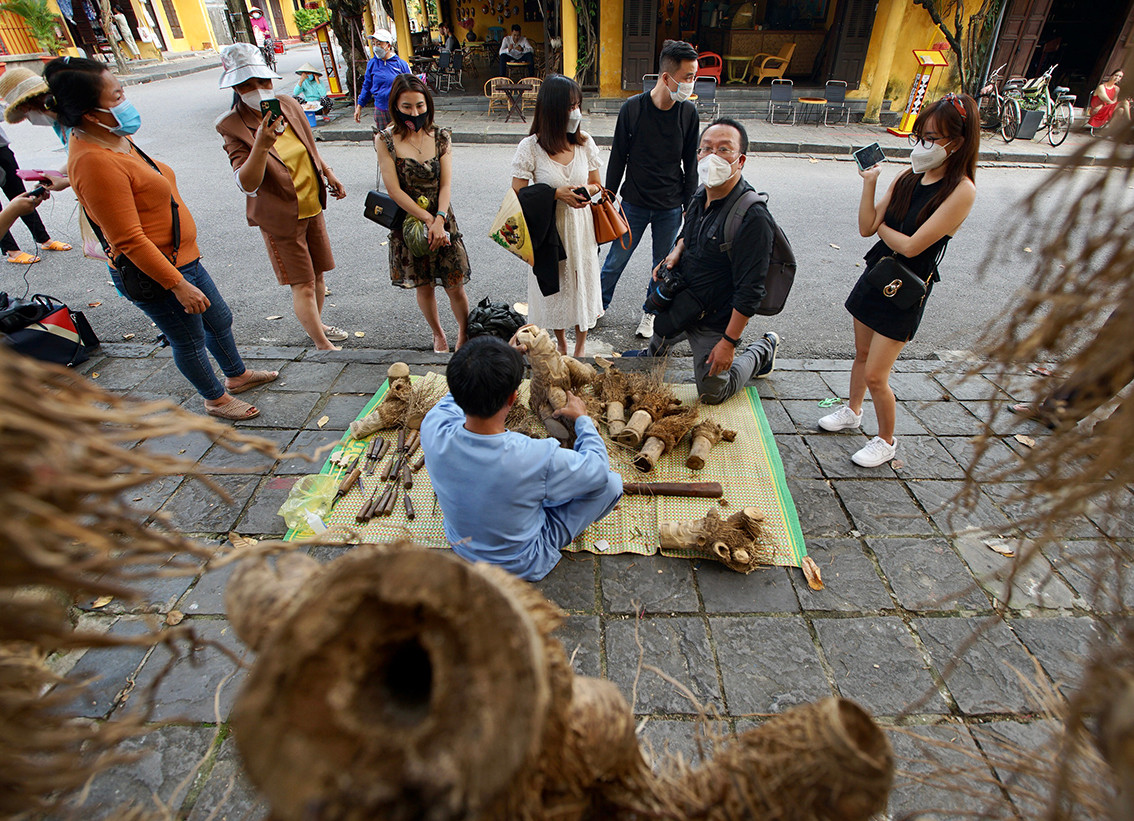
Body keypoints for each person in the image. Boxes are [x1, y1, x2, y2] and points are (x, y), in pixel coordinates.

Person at [45, 56, 276, 420]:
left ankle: (237, 375)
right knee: (189, 339)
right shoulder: (94, 161)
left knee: (219, 319)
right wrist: (177, 285)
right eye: (116, 96)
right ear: (90, 113)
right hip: (157, 272)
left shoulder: (110, 135)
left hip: (182, 257)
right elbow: (128, 239)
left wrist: (61, 178)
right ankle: (215, 400)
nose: (125, 101)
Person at [818, 93, 978, 467]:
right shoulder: (909, 176)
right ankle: (853, 411)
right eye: (919, 136)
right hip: (877, 274)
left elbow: (911, 246)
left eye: (931, 138)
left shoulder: (962, 190)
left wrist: (883, 228)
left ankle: (886, 440)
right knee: (860, 355)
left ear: (957, 142)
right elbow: (865, 227)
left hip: (906, 286)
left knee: (877, 375)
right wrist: (870, 182)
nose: (922, 145)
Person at [420, 335, 623, 581]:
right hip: (521, 561)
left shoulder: (433, 425)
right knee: (612, 483)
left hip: (463, 544)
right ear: (513, 397)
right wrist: (582, 419)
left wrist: (497, 359)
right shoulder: (535, 456)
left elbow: (455, 396)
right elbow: (598, 470)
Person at [627, 118, 780, 406]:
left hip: (715, 318)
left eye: (724, 150)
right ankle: (652, 354)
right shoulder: (701, 193)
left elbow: (751, 291)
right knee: (660, 327)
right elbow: (689, 231)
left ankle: (763, 349)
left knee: (712, 393)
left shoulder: (753, 218)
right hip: (685, 299)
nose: (713, 157)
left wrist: (729, 343)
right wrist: (675, 251)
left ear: (740, 160)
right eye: (706, 149)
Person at [215, 43, 348, 352]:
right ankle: (322, 344)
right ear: (235, 88)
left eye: (263, 81)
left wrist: (328, 172)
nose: (258, 90)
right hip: (280, 216)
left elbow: (307, 145)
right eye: (247, 85)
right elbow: (246, 182)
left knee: (318, 276)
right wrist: (261, 145)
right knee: (303, 283)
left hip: (311, 204)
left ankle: (317, 324)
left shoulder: (287, 104)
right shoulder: (232, 125)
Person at [601, 39, 699, 338]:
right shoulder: (632, 109)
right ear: (667, 78)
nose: (691, 84)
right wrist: (608, 197)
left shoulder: (688, 113)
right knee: (615, 261)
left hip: (670, 206)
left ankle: (651, 313)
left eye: (694, 76)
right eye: (688, 77)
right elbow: (618, 157)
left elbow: (690, 165)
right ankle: (597, 305)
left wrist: (690, 206)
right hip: (634, 202)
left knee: (663, 266)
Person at [510, 74, 603, 357]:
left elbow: (597, 184)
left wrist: (584, 191)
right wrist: (554, 194)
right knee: (557, 285)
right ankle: (561, 342)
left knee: (582, 280)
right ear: (552, 109)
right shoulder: (530, 147)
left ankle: (581, 346)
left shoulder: (584, 142)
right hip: (549, 229)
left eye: (578, 105)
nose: (576, 112)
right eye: (570, 106)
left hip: (581, 227)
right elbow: (518, 192)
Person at [377, 74, 471, 353]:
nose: (414, 112)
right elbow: (394, 190)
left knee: (455, 283)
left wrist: (439, 219)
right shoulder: (385, 140)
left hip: (443, 219)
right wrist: (427, 220)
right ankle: (438, 334)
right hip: (411, 222)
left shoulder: (441, 136)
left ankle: (464, 334)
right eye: (407, 107)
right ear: (396, 106)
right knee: (424, 284)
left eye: (420, 105)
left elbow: (446, 184)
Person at [0, 126, 71, 264]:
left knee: (23, 195)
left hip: (2, 148)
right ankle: (11, 250)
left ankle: (44, 239)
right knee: (18, 203)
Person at [354, 30, 410, 131]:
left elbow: (410, 87)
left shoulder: (401, 64)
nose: (376, 47)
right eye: (374, 44)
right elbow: (367, 86)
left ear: (388, 45)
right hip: (380, 110)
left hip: (398, 109)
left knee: (401, 136)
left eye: (379, 44)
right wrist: (359, 106)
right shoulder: (372, 64)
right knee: (383, 138)